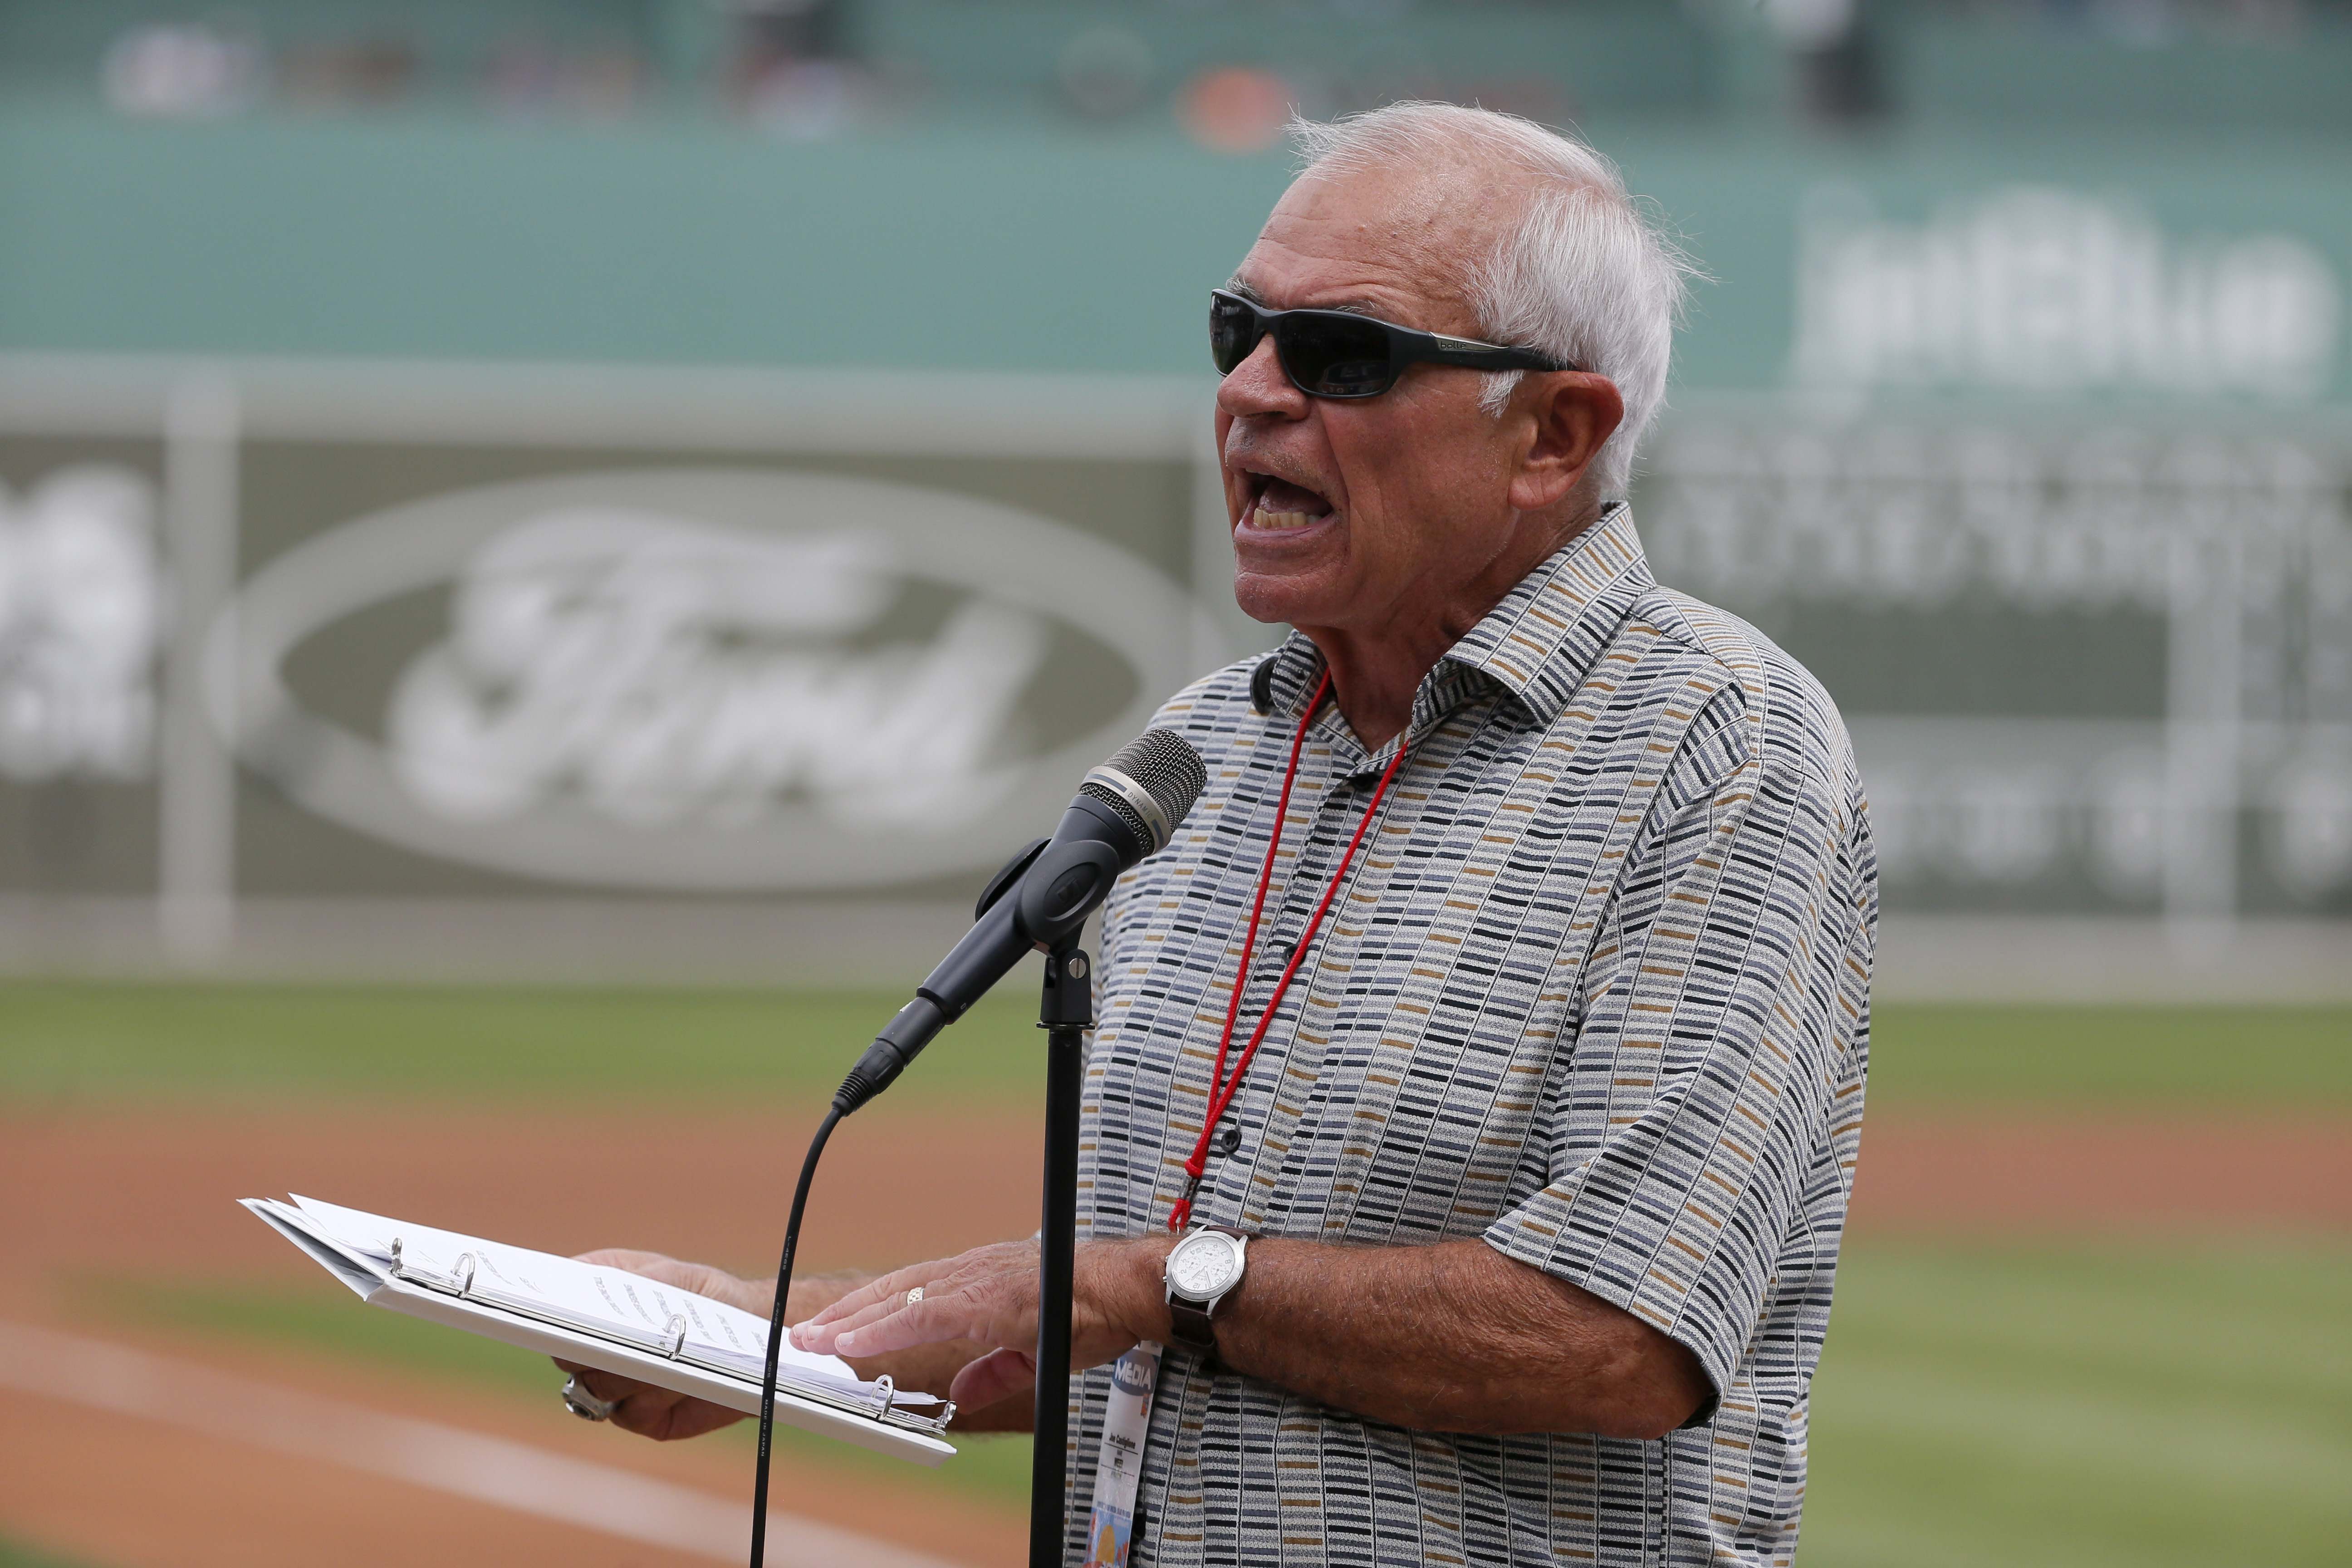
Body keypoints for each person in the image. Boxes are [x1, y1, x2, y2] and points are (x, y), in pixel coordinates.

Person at [560, 102, 1876, 1567]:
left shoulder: (1717, 741)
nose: (1253, 391)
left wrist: (1147, 1286)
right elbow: (1154, 1340)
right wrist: (758, 1335)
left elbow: (1624, 1336)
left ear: (1553, 435)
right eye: (1237, 332)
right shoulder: (1206, 752)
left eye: (1341, 356)